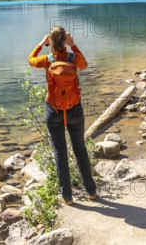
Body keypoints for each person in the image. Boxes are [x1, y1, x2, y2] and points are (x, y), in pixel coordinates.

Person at [28, 26, 97, 205]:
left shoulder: (47, 60)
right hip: (74, 109)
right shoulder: (73, 58)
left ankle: (67, 196)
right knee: (80, 149)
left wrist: (40, 43)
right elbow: (84, 65)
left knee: (60, 151)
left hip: (54, 110)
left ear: (51, 41)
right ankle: (91, 191)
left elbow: (30, 61)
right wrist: (73, 45)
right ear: (65, 39)